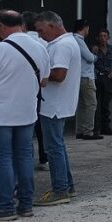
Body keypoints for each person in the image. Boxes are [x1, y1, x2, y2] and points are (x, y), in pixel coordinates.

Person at [0, 10, 50, 221]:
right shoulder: (40, 47)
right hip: (27, 112)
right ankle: (26, 205)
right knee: (25, 157)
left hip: (0, 114)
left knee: (3, 160)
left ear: (2, 27)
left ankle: (6, 207)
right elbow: (44, 81)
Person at [34, 11, 80, 206]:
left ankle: (60, 189)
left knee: (53, 148)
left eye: (41, 30)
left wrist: (38, 73)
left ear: (52, 26)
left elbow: (59, 74)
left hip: (54, 104)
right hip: (56, 103)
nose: (39, 34)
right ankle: (67, 185)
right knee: (57, 146)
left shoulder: (62, 46)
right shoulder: (65, 43)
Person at [21, 11, 47, 171]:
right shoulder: (43, 43)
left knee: (24, 128)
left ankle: (25, 160)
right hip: (40, 90)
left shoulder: (13, 43)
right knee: (40, 126)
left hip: (21, 92)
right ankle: (44, 158)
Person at [73, 19, 100, 140]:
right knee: (90, 104)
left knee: (81, 105)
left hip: (79, 76)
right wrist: (95, 55)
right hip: (86, 76)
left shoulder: (75, 40)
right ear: (84, 28)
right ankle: (88, 131)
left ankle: (80, 130)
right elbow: (89, 57)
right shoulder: (79, 40)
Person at [92, 29, 112, 136]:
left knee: (105, 104)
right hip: (97, 78)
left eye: (105, 36)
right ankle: (96, 128)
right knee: (96, 104)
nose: (103, 38)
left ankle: (106, 127)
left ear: (108, 38)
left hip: (107, 78)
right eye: (100, 36)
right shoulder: (95, 49)